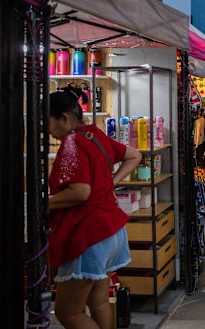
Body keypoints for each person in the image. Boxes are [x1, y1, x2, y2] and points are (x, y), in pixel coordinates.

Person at [47, 86, 142, 329]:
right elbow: (134, 155)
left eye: (48, 123)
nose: (48, 131)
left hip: (88, 234)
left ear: (65, 118)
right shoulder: (95, 135)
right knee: (99, 302)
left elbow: (80, 192)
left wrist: (41, 203)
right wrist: (112, 181)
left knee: (68, 312)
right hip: (111, 231)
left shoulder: (71, 144)